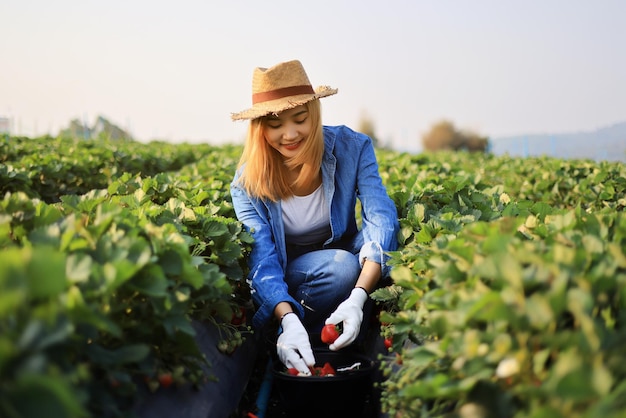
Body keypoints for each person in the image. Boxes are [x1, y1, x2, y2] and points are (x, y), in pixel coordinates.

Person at [230, 59, 399, 376]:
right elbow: (261, 258)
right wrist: (286, 318)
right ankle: (295, 334)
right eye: (275, 124)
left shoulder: (353, 148)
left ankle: (344, 322)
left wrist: (358, 298)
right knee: (341, 268)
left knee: (385, 235)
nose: (290, 134)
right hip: (293, 277)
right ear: (260, 129)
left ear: (314, 114)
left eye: (299, 119)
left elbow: (379, 216)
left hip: (343, 259)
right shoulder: (247, 183)